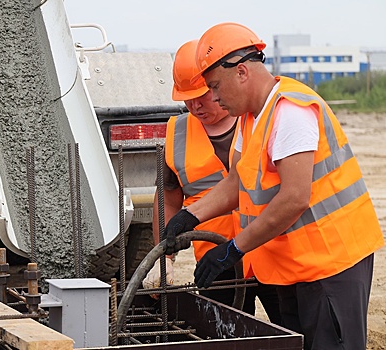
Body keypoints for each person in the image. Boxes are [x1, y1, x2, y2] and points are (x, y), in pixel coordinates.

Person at [164, 23, 384, 350]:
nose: (213, 98)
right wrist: (189, 216)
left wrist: (234, 248)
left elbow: (294, 199)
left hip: (330, 263)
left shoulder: (290, 112)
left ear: (241, 72)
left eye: (215, 87)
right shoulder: (252, 118)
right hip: (294, 267)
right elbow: (237, 180)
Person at [143, 40, 281, 324]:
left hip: (272, 249)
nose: (194, 105)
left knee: (293, 329)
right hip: (215, 261)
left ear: (218, 83)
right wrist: (164, 258)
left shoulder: (257, 119)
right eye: (186, 98)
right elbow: (168, 199)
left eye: (202, 95)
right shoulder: (178, 133)